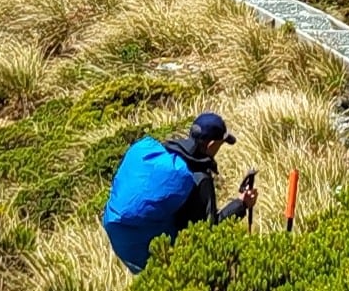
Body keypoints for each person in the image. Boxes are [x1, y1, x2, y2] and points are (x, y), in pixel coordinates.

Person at [99, 110, 258, 269]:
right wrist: (241, 204)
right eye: (220, 143)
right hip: (173, 257)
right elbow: (209, 230)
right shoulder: (200, 179)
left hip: (131, 237)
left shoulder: (170, 153)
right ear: (211, 145)